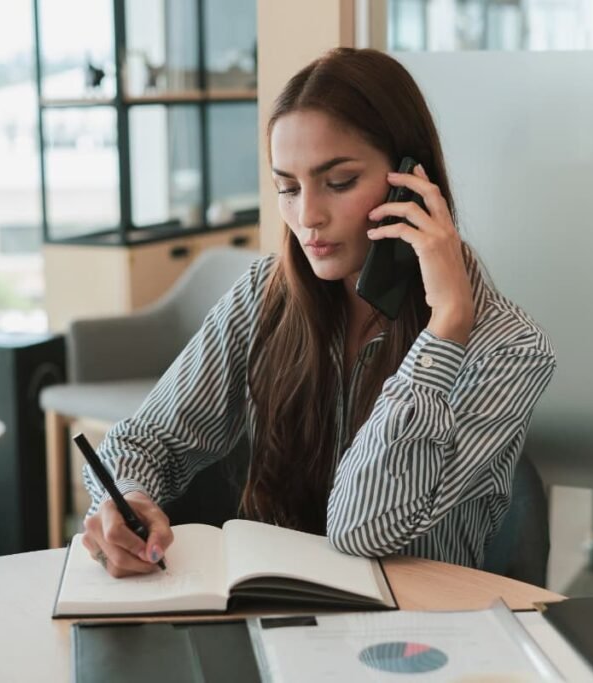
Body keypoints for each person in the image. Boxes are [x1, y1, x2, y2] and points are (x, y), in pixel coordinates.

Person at [81, 47, 556, 578]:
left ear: (412, 181)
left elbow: (364, 528)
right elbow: (144, 442)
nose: (306, 216)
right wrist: (125, 498)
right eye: (288, 187)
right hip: (279, 616)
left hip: (422, 635)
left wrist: (444, 332)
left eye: (339, 182)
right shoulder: (263, 295)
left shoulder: (510, 348)